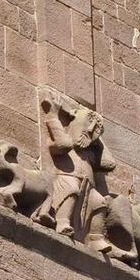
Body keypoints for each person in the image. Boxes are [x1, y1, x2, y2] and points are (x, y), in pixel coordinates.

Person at [43, 102, 117, 254]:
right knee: (71, 189)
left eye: (92, 129)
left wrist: (97, 137)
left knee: (100, 202)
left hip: (88, 186)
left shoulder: (89, 153)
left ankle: (96, 238)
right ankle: (63, 222)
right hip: (68, 178)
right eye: (85, 126)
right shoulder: (64, 141)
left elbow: (109, 164)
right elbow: (62, 144)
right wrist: (52, 117)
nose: (88, 130)